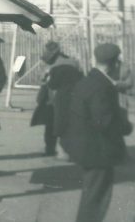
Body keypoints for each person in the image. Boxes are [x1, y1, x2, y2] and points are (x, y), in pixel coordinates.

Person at [61, 43, 132, 222]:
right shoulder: (102, 87)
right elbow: (104, 122)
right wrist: (126, 126)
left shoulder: (87, 81)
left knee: (92, 194)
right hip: (98, 151)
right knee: (97, 198)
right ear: (114, 64)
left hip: (86, 148)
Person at [41, 41, 82, 159]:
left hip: (54, 98)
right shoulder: (72, 62)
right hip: (69, 98)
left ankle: (51, 149)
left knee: (51, 125)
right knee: (66, 124)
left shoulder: (52, 65)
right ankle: (67, 150)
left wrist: (45, 78)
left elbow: (46, 81)